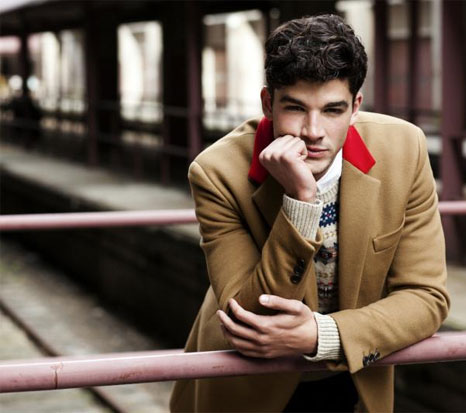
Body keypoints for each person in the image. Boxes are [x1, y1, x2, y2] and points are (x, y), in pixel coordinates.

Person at [170, 14, 449, 413]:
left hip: (351, 376)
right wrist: (301, 201)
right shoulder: (217, 172)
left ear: (355, 107)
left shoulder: (404, 150)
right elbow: (250, 315)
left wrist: (321, 335)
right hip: (248, 388)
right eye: (296, 108)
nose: (313, 131)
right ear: (268, 104)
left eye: (333, 110)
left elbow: (427, 297)